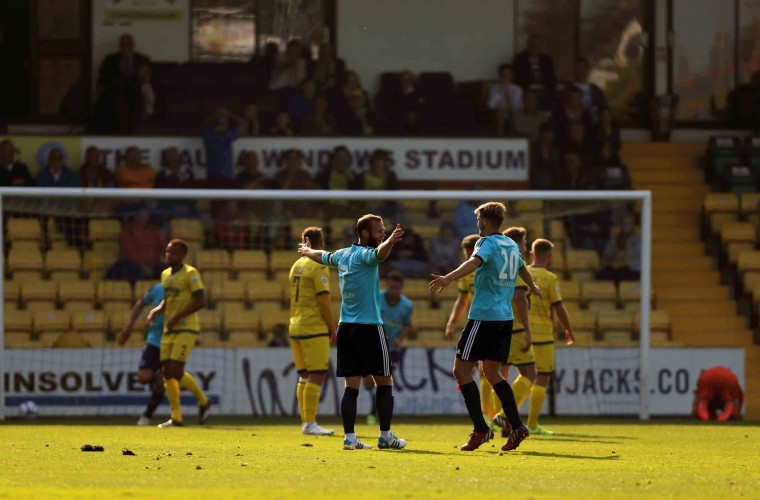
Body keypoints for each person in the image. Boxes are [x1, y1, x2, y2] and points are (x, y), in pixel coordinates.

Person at [429, 202, 541, 452]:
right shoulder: (511, 244)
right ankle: (517, 426)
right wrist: (533, 287)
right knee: (493, 374)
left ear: (486, 221)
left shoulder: (485, 243)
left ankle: (481, 429)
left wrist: (448, 277)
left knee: (460, 370)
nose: (477, 224)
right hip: (504, 318)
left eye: (478, 220)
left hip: (483, 317)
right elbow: (523, 270)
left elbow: (473, 263)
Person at [297, 215, 407, 450]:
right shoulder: (366, 256)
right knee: (385, 382)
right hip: (369, 327)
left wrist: (307, 251)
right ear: (365, 233)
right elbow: (381, 253)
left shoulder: (342, 254)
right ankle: (385, 436)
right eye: (379, 231)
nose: (383, 234)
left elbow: (322, 256)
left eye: (384, 231)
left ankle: (349, 438)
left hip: (346, 328)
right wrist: (391, 242)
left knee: (351, 386)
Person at [493, 238, 574, 435]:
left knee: (504, 373)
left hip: (514, 328)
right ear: (550, 256)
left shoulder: (520, 272)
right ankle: (531, 423)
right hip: (541, 334)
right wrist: (568, 329)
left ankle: (505, 419)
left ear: (531, 254)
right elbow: (558, 307)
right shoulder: (549, 278)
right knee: (540, 377)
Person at [146, 240, 212, 427]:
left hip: (186, 327)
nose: (169, 256)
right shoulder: (165, 274)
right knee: (167, 374)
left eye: (173, 253)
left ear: (183, 256)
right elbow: (168, 300)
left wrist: (178, 316)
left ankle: (204, 401)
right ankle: (176, 418)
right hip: (169, 328)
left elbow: (200, 301)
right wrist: (157, 311)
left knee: (174, 370)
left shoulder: (191, 274)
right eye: (167, 252)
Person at [288, 226, 338, 436]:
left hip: (295, 325)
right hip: (313, 326)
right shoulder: (318, 265)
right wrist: (332, 327)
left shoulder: (296, 265)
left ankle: (306, 422)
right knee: (317, 374)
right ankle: (310, 423)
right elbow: (323, 299)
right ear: (321, 242)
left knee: (304, 376)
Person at [364, 271, 413, 425]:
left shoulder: (407, 305)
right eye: (391, 287)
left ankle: (376, 412)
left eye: (397, 288)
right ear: (387, 286)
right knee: (368, 382)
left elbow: (406, 324)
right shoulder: (376, 298)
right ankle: (375, 409)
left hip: (391, 349)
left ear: (401, 288)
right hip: (372, 345)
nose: (394, 290)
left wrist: (400, 338)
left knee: (384, 381)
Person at [118, 282, 166, 425]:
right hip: (154, 340)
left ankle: (146, 416)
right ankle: (160, 377)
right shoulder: (157, 289)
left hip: (173, 341)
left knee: (161, 383)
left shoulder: (183, 290)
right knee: (143, 377)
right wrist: (128, 327)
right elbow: (140, 304)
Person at [93, 33, 150, 134]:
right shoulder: (110, 59)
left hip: (134, 89)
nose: (125, 47)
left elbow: (147, 79)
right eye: (122, 45)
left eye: (128, 44)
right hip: (116, 89)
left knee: (135, 96)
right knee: (116, 99)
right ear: (119, 46)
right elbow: (103, 78)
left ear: (132, 45)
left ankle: (129, 130)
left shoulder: (142, 59)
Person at [118, 210, 167, 280]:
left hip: (153, 267)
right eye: (140, 213)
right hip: (134, 267)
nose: (143, 216)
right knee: (129, 268)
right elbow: (127, 252)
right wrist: (142, 266)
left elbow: (165, 248)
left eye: (145, 213)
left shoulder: (154, 231)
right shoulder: (127, 232)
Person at [202, 107, 244, 182]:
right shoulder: (208, 133)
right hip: (213, 175)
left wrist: (230, 114)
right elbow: (204, 123)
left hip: (226, 175)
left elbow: (244, 125)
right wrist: (216, 115)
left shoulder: (229, 134)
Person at [598, 213, 642, 282]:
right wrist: (614, 256)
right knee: (602, 274)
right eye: (623, 224)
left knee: (622, 273)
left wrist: (627, 257)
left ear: (633, 225)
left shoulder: (639, 240)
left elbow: (643, 259)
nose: (626, 226)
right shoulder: (614, 239)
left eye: (628, 223)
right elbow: (605, 257)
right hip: (614, 268)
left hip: (632, 271)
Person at [512, 34, 556, 100]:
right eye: (532, 44)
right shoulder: (519, 59)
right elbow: (516, 79)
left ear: (541, 46)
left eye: (537, 44)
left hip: (543, 91)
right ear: (528, 44)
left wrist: (542, 78)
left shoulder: (546, 60)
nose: (535, 47)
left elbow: (552, 79)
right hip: (525, 91)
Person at [488, 64, 523, 137]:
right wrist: (499, 92)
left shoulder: (517, 89)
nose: (505, 78)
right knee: (500, 113)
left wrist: (509, 95)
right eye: (503, 75)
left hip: (513, 111)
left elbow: (517, 106)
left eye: (508, 75)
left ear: (512, 76)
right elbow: (491, 105)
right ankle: (501, 137)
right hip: (500, 113)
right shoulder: (495, 88)